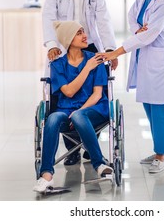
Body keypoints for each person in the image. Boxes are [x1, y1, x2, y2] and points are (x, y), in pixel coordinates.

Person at [96, 0, 164, 174]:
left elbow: (150, 34)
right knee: (149, 105)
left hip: (160, 59)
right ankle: (162, 150)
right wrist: (137, 29)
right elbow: (133, 17)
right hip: (146, 56)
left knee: (160, 107)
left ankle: (162, 156)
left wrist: (116, 52)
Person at [42, 0, 118, 165]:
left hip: (91, 45)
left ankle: (88, 141)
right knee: (64, 96)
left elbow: (104, 20)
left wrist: (110, 49)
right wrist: (51, 45)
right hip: (63, 45)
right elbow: (48, 16)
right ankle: (72, 149)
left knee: (95, 91)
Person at [33, 21, 113, 193]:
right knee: (53, 118)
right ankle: (46, 174)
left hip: (94, 108)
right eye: (79, 33)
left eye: (84, 31)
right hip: (65, 109)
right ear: (68, 39)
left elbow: (97, 94)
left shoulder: (95, 59)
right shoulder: (57, 64)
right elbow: (68, 92)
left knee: (78, 116)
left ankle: (98, 163)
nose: (85, 35)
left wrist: (79, 110)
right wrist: (87, 69)